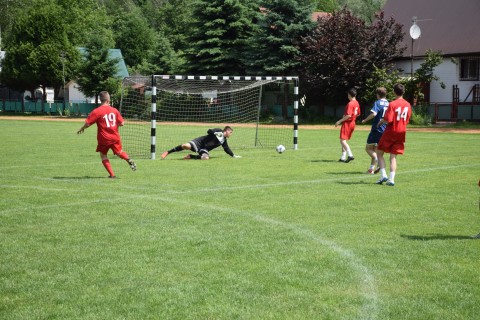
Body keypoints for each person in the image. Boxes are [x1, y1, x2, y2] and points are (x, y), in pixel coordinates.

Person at [77, 91, 136, 178]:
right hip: (115, 136)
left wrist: (82, 128)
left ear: (101, 100)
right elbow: (122, 123)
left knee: (103, 155)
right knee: (119, 152)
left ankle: (112, 175)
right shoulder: (114, 110)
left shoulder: (97, 111)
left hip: (104, 138)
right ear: (108, 100)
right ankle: (128, 159)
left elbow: (88, 123)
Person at [375, 83, 411, 186]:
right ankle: (391, 179)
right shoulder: (408, 104)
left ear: (394, 92)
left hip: (391, 131)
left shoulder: (392, 104)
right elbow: (407, 120)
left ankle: (383, 175)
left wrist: (381, 121)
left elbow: (388, 119)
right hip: (402, 131)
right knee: (393, 156)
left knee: (379, 152)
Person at [161, 126, 241, 160]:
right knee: (185, 146)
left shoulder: (224, 140)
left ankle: (191, 156)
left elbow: (226, 149)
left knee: (206, 158)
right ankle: (168, 152)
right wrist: (214, 133)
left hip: (204, 149)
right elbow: (209, 131)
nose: (231, 134)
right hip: (199, 142)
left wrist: (234, 156)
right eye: (231, 132)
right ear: (226, 131)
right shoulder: (219, 130)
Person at [361, 87, 389, 174]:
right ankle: (371, 169)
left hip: (377, 129)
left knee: (368, 148)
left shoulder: (378, 102)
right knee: (376, 149)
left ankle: (377, 159)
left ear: (378, 95)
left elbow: (374, 113)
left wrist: (365, 120)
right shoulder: (388, 103)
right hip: (385, 129)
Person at [335, 88, 360, 163]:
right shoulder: (357, 103)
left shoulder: (350, 103)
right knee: (344, 140)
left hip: (347, 123)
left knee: (342, 141)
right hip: (353, 123)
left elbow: (348, 115)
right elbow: (358, 114)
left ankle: (350, 155)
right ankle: (343, 157)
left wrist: (339, 121)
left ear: (349, 95)